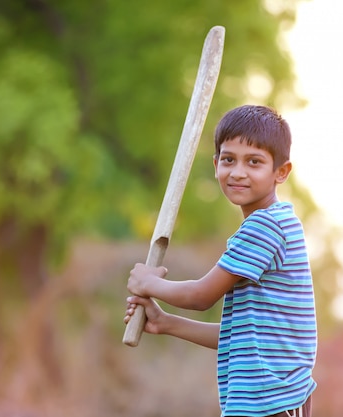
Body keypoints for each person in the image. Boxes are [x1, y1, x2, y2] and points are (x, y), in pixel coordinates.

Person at [124, 105, 317, 417]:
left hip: (264, 405)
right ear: (215, 165)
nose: (238, 172)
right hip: (275, 404)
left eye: (254, 162)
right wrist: (167, 323)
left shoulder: (264, 227)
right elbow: (240, 337)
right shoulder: (279, 223)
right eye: (229, 159)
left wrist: (149, 282)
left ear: (280, 172)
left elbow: (201, 296)